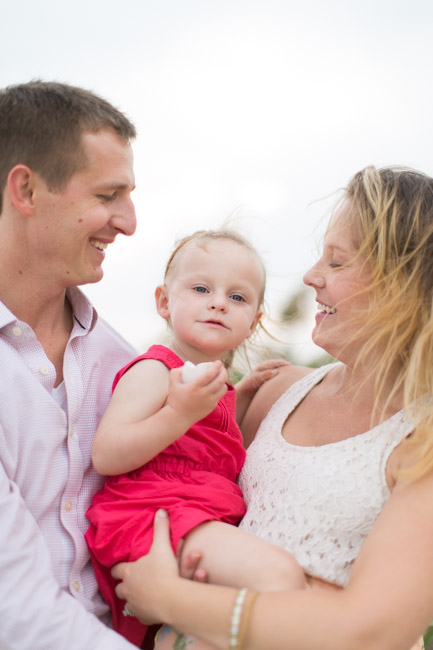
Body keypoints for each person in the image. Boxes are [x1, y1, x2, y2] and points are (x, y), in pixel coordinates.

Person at [112, 166, 433, 650]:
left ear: (400, 284)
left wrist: (168, 598)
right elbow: (174, 483)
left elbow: (374, 633)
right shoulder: (274, 392)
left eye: (337, 262)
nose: (311, 276)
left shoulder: (421, 440)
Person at [85, 230, 307, 647]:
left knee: (201, 634)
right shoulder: (154, 370)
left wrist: (238, 395)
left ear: (254, 322)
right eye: (202, 288)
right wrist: (178, 413)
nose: (219, 302)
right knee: (277, 575)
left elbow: (207, 444)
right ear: (165, 302)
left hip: (194, 511)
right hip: (154, 512)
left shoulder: (215, 387)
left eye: (238, 298)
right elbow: (107, 454)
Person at [0, 80, 141, 650]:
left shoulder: (123, 366)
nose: (129, 222)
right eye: (109, 195)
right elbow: (13, 607)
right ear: (27, 189)